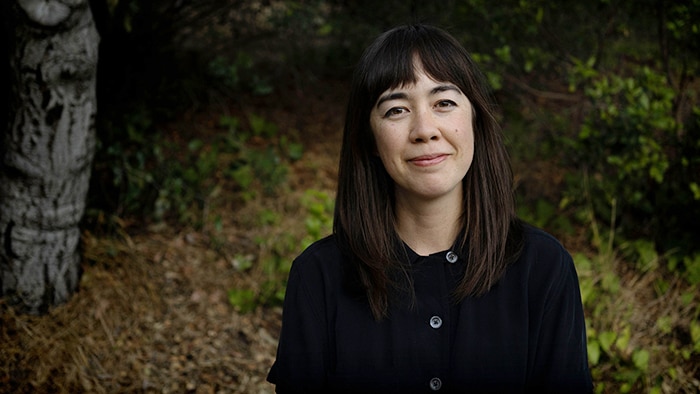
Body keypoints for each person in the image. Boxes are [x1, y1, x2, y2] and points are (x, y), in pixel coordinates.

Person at [267, 24, 593, 393]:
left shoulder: (543, 267)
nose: (424, 129)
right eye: (396, 110)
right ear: (370, 139)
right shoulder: (318, 276)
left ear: (475, 120)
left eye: (444, 103)